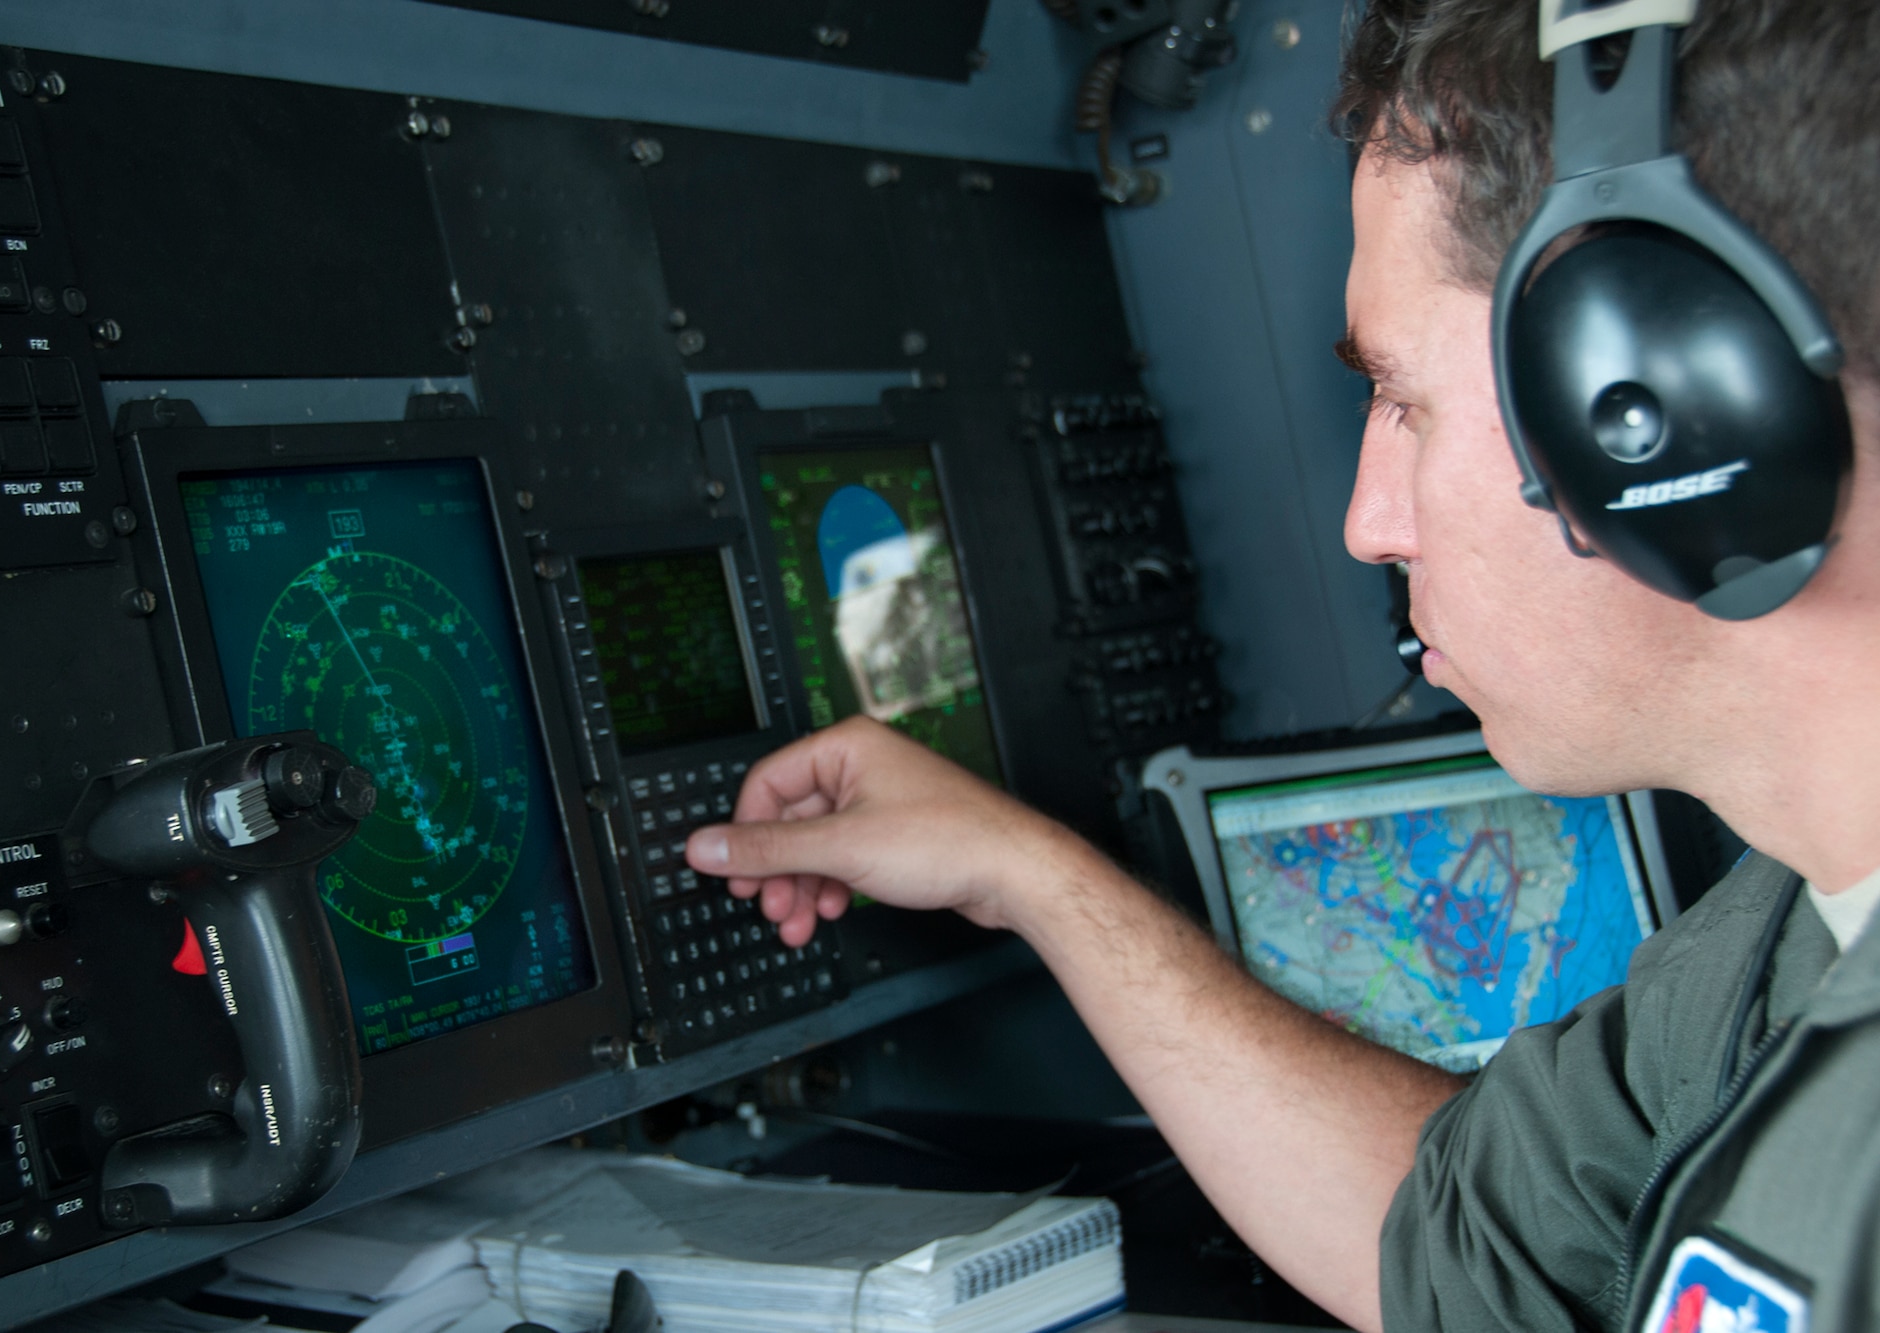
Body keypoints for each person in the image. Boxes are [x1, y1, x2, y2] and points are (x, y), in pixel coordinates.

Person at [686, 1, 1880, 1328]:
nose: (1370, 520)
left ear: (1655, 413)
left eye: (1403, 397)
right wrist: (1035, 878)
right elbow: (1462, 1245)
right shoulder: (1784, 938)